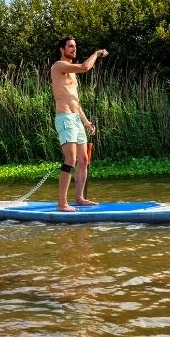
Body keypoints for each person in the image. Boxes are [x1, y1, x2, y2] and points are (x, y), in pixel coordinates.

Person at [51, 35, 108, 212]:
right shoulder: (58, 66)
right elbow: (85, 67)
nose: (73, 49)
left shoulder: (72, 75)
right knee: (71, 159)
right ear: (62, 49)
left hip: (76, 119)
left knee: (83, 160)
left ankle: (79, 198)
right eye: (70, 46)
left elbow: (75, 101)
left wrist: (86, 121)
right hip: (65, 119)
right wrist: (97, 53)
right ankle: (62, 204)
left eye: (75, 46)